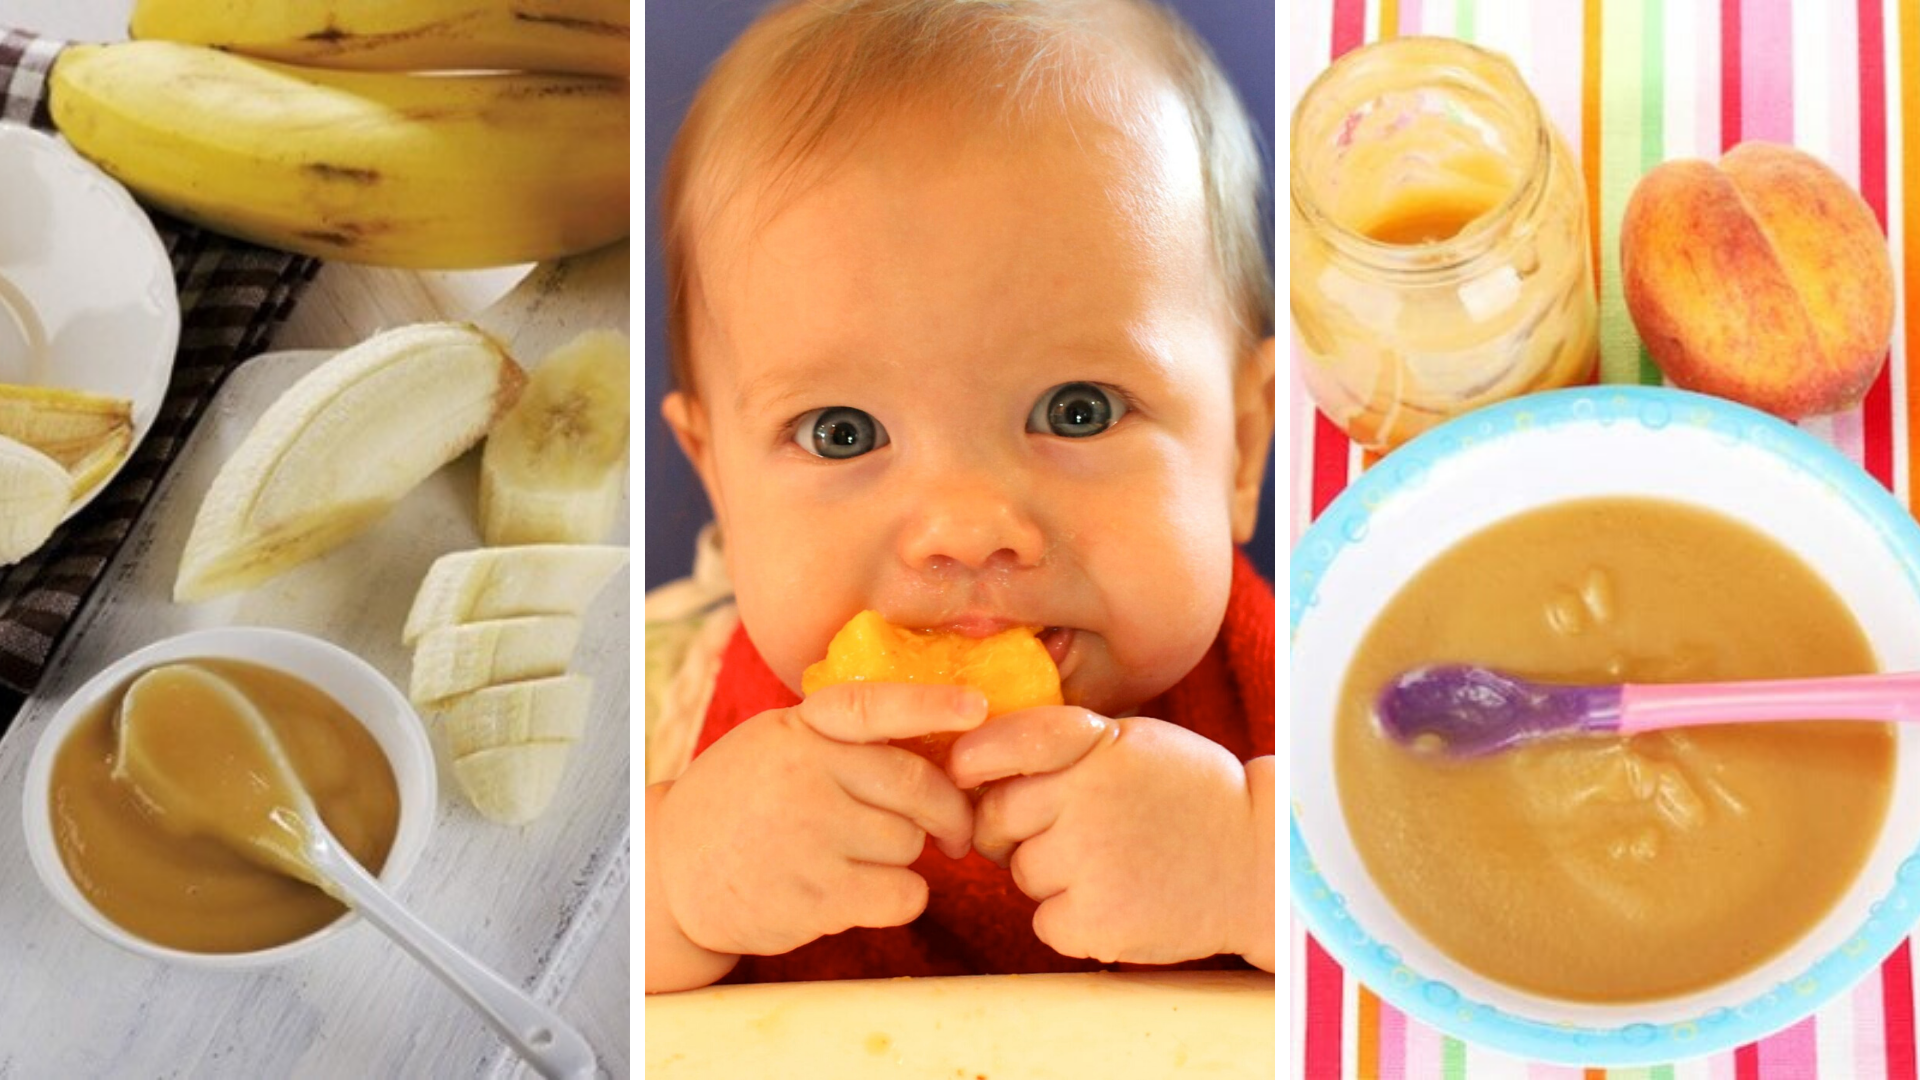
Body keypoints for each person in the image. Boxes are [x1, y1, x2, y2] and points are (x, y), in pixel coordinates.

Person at [645, 0, 1275, 992]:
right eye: (842, 434)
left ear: (1241, 445)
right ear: (717, 478)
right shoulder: (668, 710)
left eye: (1077, 411)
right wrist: (680, 885)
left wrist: (1255, 869)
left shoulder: (1321, 688)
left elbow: (1450, 885)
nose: (968, 529)